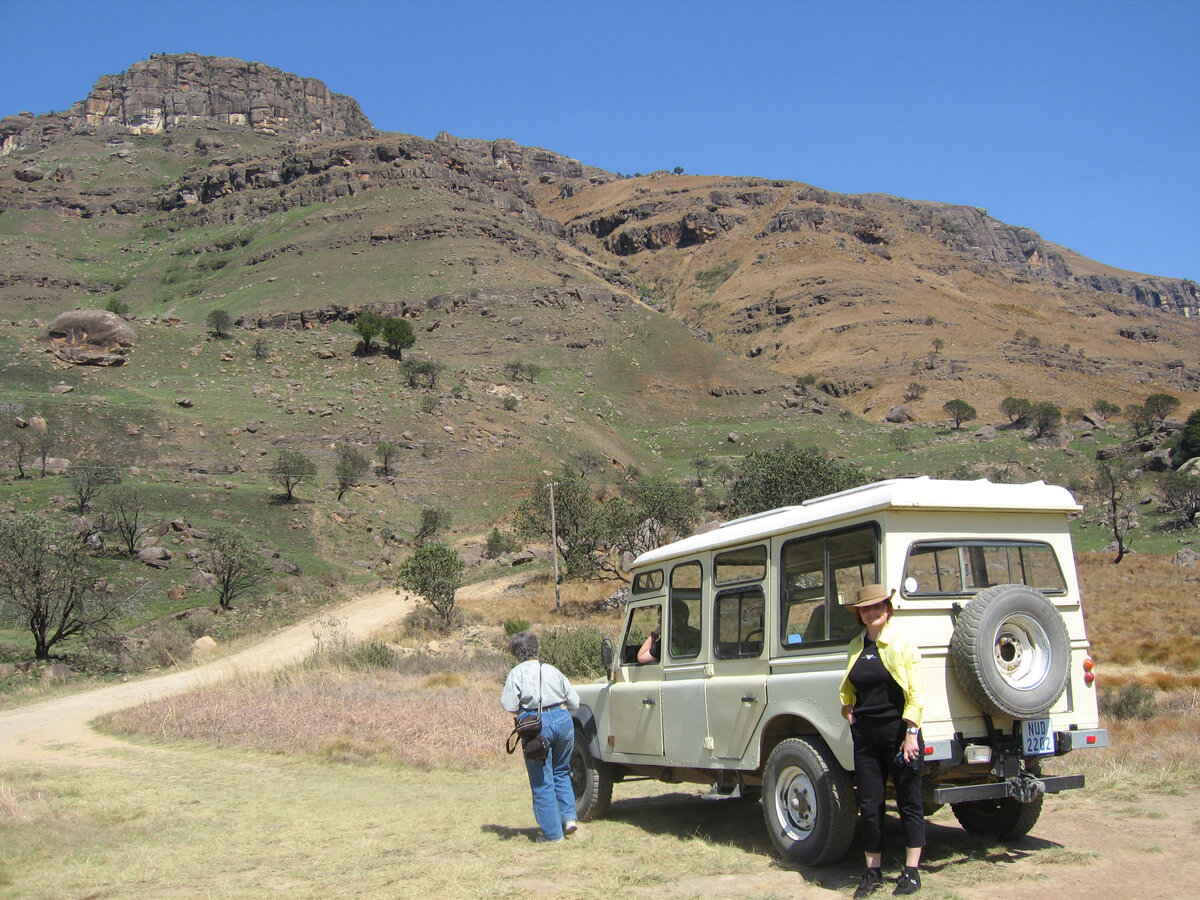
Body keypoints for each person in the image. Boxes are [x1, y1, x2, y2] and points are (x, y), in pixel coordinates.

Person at [839, 583, 925, 897]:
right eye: (866, 608)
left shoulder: (901, 644)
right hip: (866, 736)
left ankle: (911, 872)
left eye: (877, 607)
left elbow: (916, 693)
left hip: (899, 734)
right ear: (860, 615)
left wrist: (911, 734)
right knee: (870, 804)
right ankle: (872, 872)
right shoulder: (855, 645)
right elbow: (851, 684)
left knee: (909, 802)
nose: (872, 612)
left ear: (887, 610)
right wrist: (847, 708)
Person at [500, 630, 581, 843]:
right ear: (537, 649)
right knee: (562, 771)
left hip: (537, 726)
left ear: (516, 654)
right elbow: (575, 702)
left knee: (542, 780)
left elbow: (509, 705)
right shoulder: (552, 670)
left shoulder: (516, 674)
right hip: (563, 720)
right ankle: (569, 818)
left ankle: (553, 835)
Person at [636, 599, 700, 663]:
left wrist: (654, 634)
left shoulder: (667, 641)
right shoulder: (698, 635)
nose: (659, 622)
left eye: (661, 618)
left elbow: (641, 657)